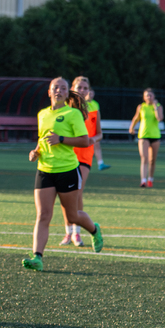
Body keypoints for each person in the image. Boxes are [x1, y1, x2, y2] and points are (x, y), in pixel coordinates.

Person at [23, 78, 103, 271]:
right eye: (55, 87)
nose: (59, 90)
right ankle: (37, 257)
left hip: (67, 170)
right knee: (43, 215)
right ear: (49, 92)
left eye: (63, 88)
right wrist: (35, 152)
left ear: (68, 94)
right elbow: (42, 139)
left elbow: (85, 141)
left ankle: (94, 229)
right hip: (45, 170)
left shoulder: (73, 113)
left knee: (72, 215)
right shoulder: (42, 114)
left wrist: (61, 139)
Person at [60, 76, 102, 247]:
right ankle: (68, 232)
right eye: (79, 87)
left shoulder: (93, 108)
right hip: (67, 154)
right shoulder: (65, 109)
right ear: (73, 89)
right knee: (64, 194)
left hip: (84, 156)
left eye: (85, 88)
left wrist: (92, 140)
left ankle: (77, 233)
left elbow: (99, 133)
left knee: (77, 192)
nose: (83, 91)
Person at [129, 88, 163, 187]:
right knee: (144, 158)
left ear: (154, 97)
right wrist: (132, 127)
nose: (149, 97)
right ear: (144, 97)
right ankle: (143, 180)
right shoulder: (141, 107)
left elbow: (159, 118)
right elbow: (136, 117)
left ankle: (150, 179)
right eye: (147, 95)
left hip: (155, 136)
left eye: (150, 95)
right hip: (143, 135)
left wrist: (155, 107)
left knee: (152, 160)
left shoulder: (158, 106)